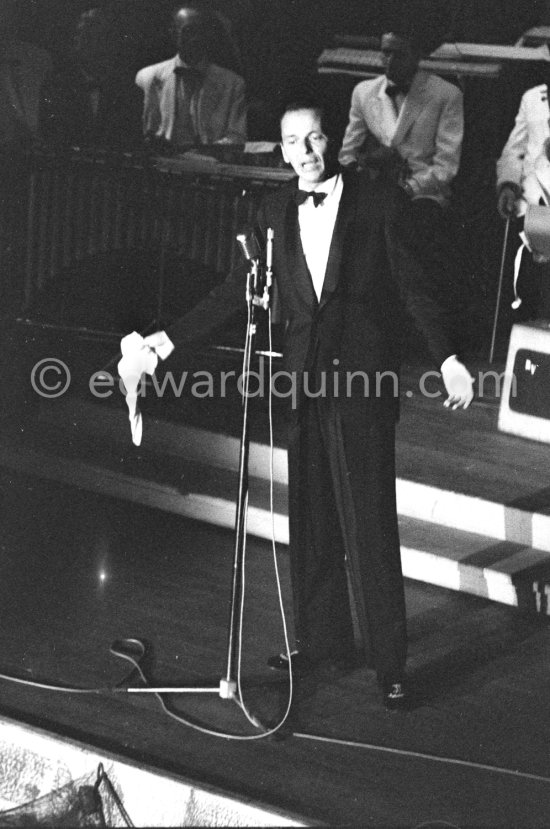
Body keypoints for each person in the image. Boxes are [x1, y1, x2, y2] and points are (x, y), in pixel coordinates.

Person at [122, 100, 473, 710]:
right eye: (292, 143)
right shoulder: (272, 209)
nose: (305, 152)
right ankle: (322, 640)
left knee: (368, 527)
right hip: (302, 385)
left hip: (362, 387)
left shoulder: (379, 202)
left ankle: (390, 663)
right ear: (280, 151)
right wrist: (170, 340)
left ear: (331, 140)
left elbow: (415, 288)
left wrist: (446, 357)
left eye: (314, 139)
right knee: (310, 522)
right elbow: (239, 289)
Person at [135, 4, 247, 149]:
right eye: (188, 31)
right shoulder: (147, 77)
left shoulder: (233, 84)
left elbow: (237, 138)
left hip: (210, 167)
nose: (195, 39)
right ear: (173, 34)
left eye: (201, 32)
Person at [44, 7, 143, 150]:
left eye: (91, 34)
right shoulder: (56, 84)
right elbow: (49, 136)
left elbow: (131, 141)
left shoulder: (128, 90)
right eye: (80, 33)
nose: (80, 39)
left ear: (110, 42)